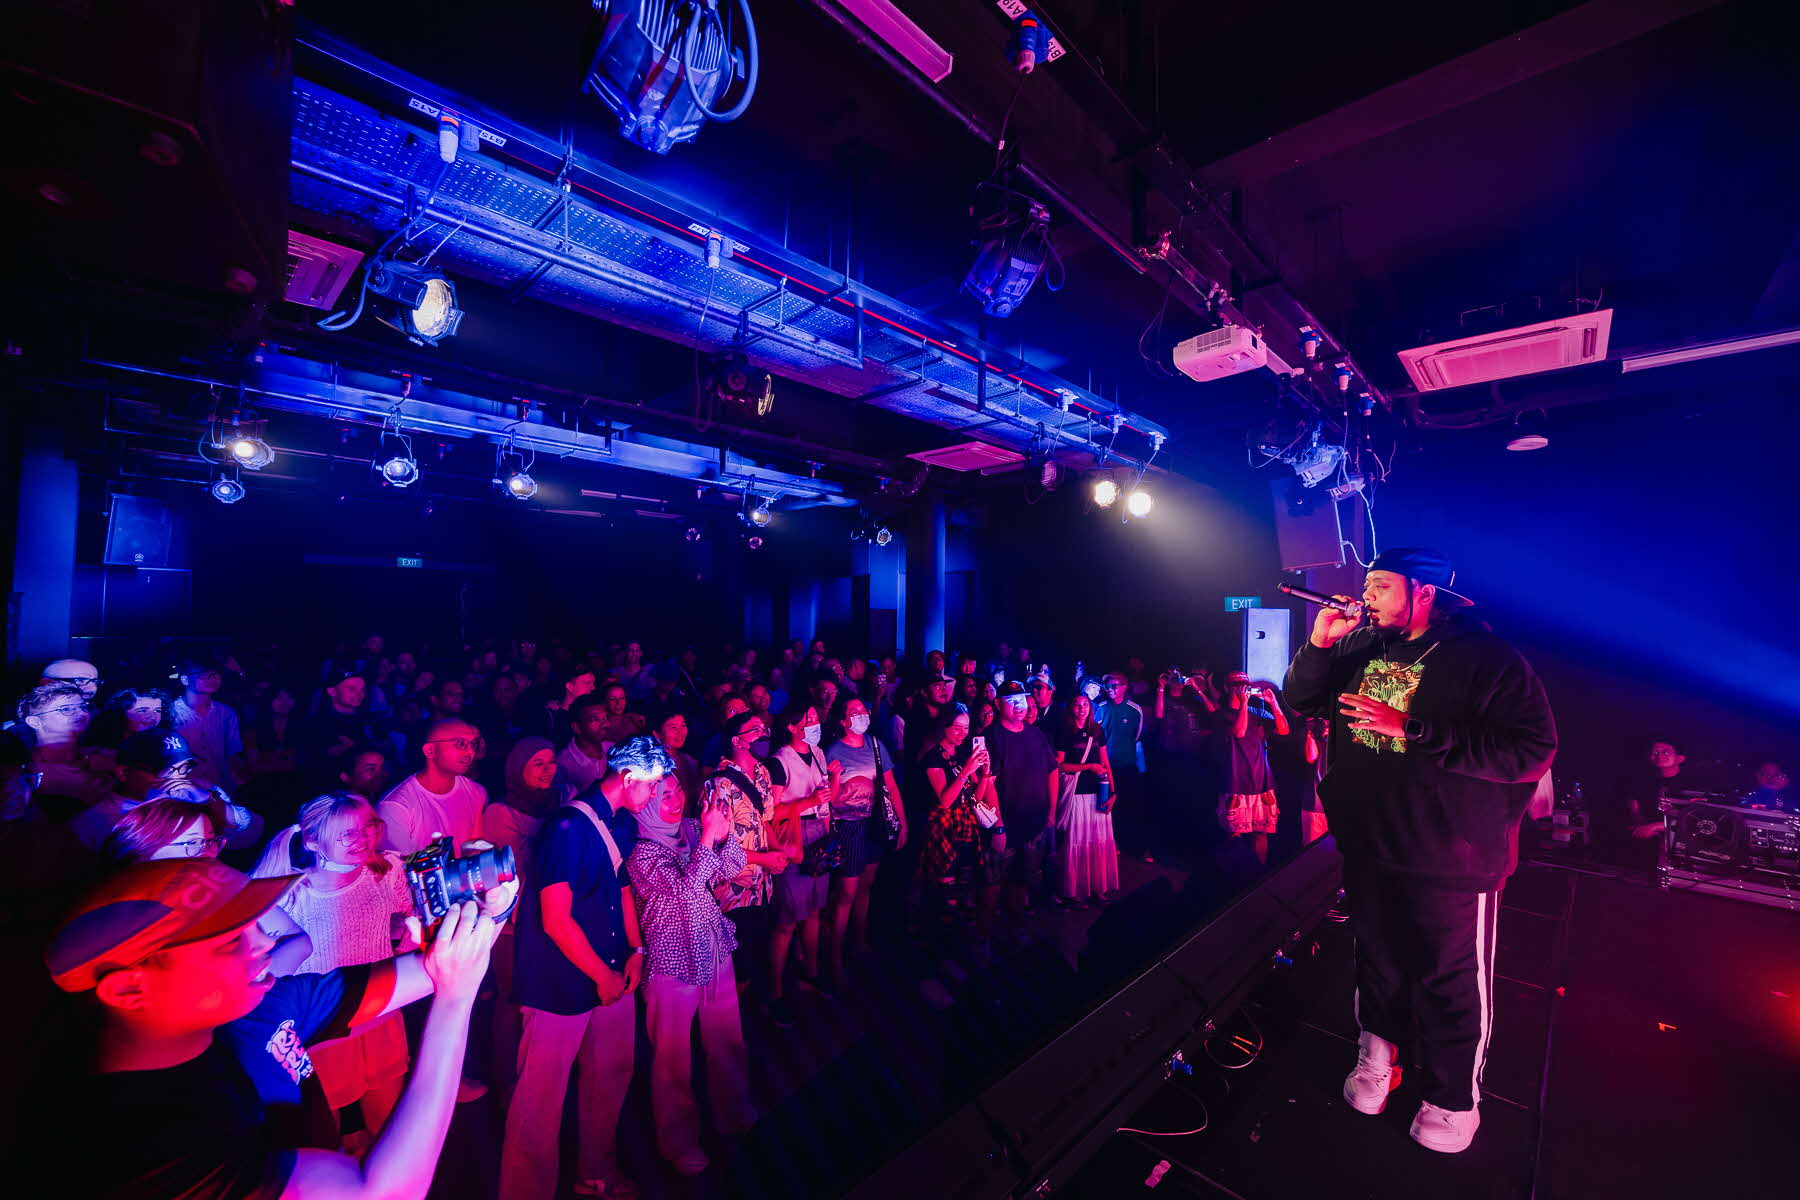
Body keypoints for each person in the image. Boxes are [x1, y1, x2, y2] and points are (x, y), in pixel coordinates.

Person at [1284, 547, 1555, 1155]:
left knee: (1449, 975)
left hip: (1450, 855)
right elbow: (1300, 702)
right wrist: (1322, 643)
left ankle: (1453, 1096)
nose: (1368, 594)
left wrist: (1409, 728)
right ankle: (1379, 1058)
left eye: (1380, 585)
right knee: (1377, 959)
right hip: (1369, 843)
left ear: (1423, 591)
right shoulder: (1360, 645)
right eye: (1368, 584)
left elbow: (1531, 751)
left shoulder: (1487, 659)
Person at [35, 857, 510, 1198]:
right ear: (128, 991)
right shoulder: (140, 1151)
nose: (265, 943)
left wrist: (485, 898)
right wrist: (456, 1001)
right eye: (229, 943)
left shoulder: (260, 1007)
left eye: (258, 923)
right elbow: (382, 1191)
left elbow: (437, 965)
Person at [502, 736, 667, 1200]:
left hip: (612, 969)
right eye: (652, 786)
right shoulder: (567, 829)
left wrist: (636, 951)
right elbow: (555, 919)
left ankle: (593, 1172)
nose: (655, 795)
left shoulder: (621, 823)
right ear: (629, 778)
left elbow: (621, 889)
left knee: (611, 1074)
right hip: (561, 982)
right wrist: (604, 976)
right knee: (540, 1098)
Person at [629, 763, 755, 1175]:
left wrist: (719, 834)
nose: (676, 798)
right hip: (671, 961)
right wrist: (707, 838)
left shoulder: (689, 827)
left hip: (713, 947)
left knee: (726, 1038)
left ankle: (734, 1113)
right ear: (646, 802)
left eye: (677, 789)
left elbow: (732, 864)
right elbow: (685, 892)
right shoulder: (640, 849)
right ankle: (678, 1141)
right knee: (672, 1057)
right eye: (663, 795)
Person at [277, 793, 417, 1145]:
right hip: (324, 1025)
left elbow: (418, 913)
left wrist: (403, 949)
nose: (363, 839)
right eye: (347, 834)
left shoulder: (386, 872)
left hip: (380, 1012)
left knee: (388, 1126)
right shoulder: (290, 895)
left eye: (368, 827)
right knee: (325, 1131)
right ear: (311, 840)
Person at [482, 736, 559, 1104]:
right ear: (518, 769)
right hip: (515, 924)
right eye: (537, 764)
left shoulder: (561, 799)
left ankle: (539, 1076)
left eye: (550, 762)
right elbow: (511, 874)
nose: (547, 770)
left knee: (543, 1000)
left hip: (554, 917)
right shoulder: (501, 812)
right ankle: (507, 1082)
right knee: (511, 1000)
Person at [705, 709, 790, 1001]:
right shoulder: (718, 784)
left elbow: (765, 819)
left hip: (761, 884)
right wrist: (766, 859)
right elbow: (716, 846)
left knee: (757, 951)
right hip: (732, 889)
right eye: (755, 730)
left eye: (764, 729)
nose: (764, 734)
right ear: (738, 741)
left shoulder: (762, 772)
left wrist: (776, 850)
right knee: (737, 963)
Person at [765, 703, 839, 1026]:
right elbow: (771, 812)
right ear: (792, 727)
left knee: (813, 910)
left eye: (814, 718)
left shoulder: (819, 753)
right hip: (794, 834)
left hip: (819, 831)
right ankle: (776, 992)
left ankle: (812, 972)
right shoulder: (779, 762)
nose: (815, 722)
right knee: (787, 920)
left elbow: (827, 797)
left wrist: (833, 779)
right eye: (807, 719)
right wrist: (809, 802)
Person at [824, 697, 905, 974]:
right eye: (854, 711)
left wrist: (902, 823)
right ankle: (834, 954)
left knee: (865, 888)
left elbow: (891, 787)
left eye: (863, 710)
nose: (861, 714)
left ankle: (858, 942)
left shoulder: (875, 744)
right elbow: (828, 799)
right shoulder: (833, 751)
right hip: (849, 826)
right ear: (843, 720)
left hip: (875, 824)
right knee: (846, 891)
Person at [918, 705, 1001, 949]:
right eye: (956, 727)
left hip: (966, 823)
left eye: (965, 728)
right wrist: (967, 770)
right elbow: (945, 801)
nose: (962, 733)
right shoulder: (932, 757)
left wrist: (984, 774)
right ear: (944, 726)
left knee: (965, 887)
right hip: (944, 827)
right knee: (946, 890)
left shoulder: (963, 753)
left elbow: (974, 797)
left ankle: (958, 946)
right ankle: (939, 948)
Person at [985, 682, 1060, 915]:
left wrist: (1051, 812)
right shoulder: (991, 737)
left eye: (1022, 701)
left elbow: (1052, 771)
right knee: (992, 885)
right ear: (998, 704)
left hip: (1034, 823)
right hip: (1005, 825)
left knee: (1023, 881)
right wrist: (997, 826)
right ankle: (984, 939)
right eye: (1012, 701)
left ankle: (1015, 931)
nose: (1019, 706)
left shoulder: (1035, 734)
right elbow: (986, 783)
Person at [379, 718, 487, 856]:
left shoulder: (476, 792)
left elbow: (473, 846)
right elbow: (401, 868)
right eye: (460, 744)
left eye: (473, 744)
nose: (470, 752)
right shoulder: (395, 806)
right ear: (430, 750)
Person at [1214, 672, 1291, 866]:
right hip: (1236, 783)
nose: (1242, 688)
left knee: (1261, 833)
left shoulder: (1258, 714)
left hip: (1262, 782)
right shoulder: (1220, 714)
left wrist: (1273, 703)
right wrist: (1243, 703)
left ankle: (1260, 876)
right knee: (1235, 836)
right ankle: (1237, 880)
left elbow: (1284, 730)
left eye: (1245, 684)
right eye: (1236, 684)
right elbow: (1239, 732)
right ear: (1226, 688)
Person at [1053, 692, 1118, 906]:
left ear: (1090, 708)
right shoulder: (1064, 731)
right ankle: (1075, 891)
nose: (1081, 708)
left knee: (1097, 841)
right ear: (1071, 708)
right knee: (1077, 842)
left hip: (1098, 791)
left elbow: (1105, 762)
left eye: (1085, 704)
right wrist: (1088, 767)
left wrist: (1113, 793)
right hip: (1077, 793)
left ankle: (1097, 887)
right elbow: (1060, 765)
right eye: (1077, 705)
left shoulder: (1097, 730)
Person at [17, 682, 110, 818]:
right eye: (66, 709)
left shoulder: (95, 756)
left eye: (83, 707)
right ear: (35, 722)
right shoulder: (31, 773)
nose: (81, 713)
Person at [1095, 672, 1150, 861]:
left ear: (1125, 687)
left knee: (1133, 808)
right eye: (1108, 686)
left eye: (1115, 686)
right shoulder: (1100, 708)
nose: (1110, 689)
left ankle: (1137, 848)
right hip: (1106, 768)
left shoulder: (1135, 710)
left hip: (1128, 766)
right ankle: (1113, 845)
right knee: (1110, 808)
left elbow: (1136, 737)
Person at [170, 657, 245, 789]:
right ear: (185, 679)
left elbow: (232, 754)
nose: (213, 679)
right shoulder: (170, 713)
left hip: (221, 787)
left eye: (216, 675)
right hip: (183, 789)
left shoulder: (226, 713)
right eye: (204, 675)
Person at [558, 693, 612, 800]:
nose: (605, 724)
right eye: (595, 720)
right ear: (577, 727)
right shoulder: (562, 764)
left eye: (605, 717)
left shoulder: (613, 749)